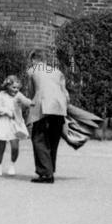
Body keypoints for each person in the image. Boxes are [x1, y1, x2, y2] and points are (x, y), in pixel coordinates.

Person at [27, 49, 69, 184]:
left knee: (39, 139)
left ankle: (45, 174)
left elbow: (31, 92)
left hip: (43, 108)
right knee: (53, 140)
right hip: (59, 108)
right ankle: (50, 170)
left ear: (34, 60)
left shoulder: (32, 70)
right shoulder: (57, 72)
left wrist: (29, 111)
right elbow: (66, 94)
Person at [0, 75, 32, 177]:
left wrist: (32, 102)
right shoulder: (1, 94)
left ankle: (12, 165)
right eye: (14, 87)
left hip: (16, 123)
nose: (16, 90)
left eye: (18, 88)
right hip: (3, 122)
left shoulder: (19, 95)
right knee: (1, 145)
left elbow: (26, 101)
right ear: (7, 86)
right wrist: (7, 112)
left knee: (15, 146)